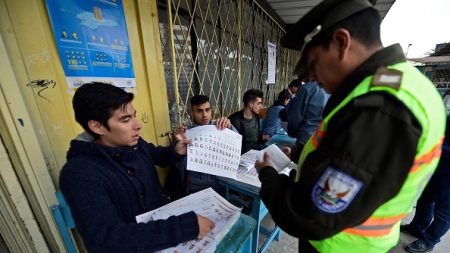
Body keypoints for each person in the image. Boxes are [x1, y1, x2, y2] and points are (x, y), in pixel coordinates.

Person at [254, 1, 446, 253]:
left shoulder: (381, 108)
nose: (310, 78)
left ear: (342, 42)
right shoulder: (397, 81)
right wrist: (302, 154)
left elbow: (311, 215)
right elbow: (357, 161)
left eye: (312, 64)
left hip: (340, 245)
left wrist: (268, 175)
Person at [59, 82, 214, 252]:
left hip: (163, 221)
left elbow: (158, 156)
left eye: (134, 116)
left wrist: (175, 150)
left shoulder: (134, 143)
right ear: (97, 126)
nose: (137, 125)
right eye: (126, 119)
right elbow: (106, 240)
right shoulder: (79, 174)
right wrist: (185, 227)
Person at [401, 115, 450, 253]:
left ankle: (429, 240)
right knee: (426, 199)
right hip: (439, 166)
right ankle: (417, 227)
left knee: (444, 212)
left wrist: (437, 147)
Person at [175, 94, 234, 193]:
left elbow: (235, 149)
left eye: (207, 110)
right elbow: (180, 166)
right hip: (198, 187)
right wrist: (180, 146)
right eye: (199, 111)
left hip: (222, 183)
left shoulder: (220, 127)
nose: (205, 115)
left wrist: (230, 127)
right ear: (191, 113)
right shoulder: (186, 133)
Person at [286, 74, 328, 161]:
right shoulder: (329, 88)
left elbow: (295, 117)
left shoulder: (306, 88)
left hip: (306, 138)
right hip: (323, 137)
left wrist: (292, 133)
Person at [229, 88, 265, 153]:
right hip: (244, 155)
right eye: (258, 103)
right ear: (250, 104)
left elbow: (254, 136)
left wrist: (262, 137)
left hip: (257, 150)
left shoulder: (256, 116)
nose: (261, 107)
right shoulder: (235, 120)